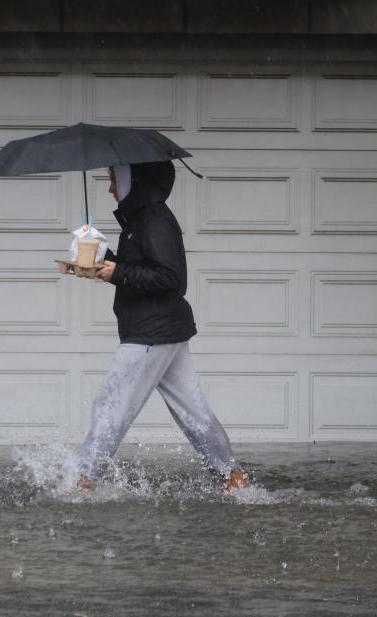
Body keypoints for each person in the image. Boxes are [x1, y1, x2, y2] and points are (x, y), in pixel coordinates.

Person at [75, 160, 250, 492]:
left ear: (133, 179)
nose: (110, 187)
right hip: (163, 330)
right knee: (194, 412)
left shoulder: (153, 219)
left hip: (151, 332)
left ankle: (84, 481)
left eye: (114, 179)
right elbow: (143, 269)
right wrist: (101, 256)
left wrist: (117, 272)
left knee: (110, 405)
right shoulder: (142, 219)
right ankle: (233, 479)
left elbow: (170, 278)